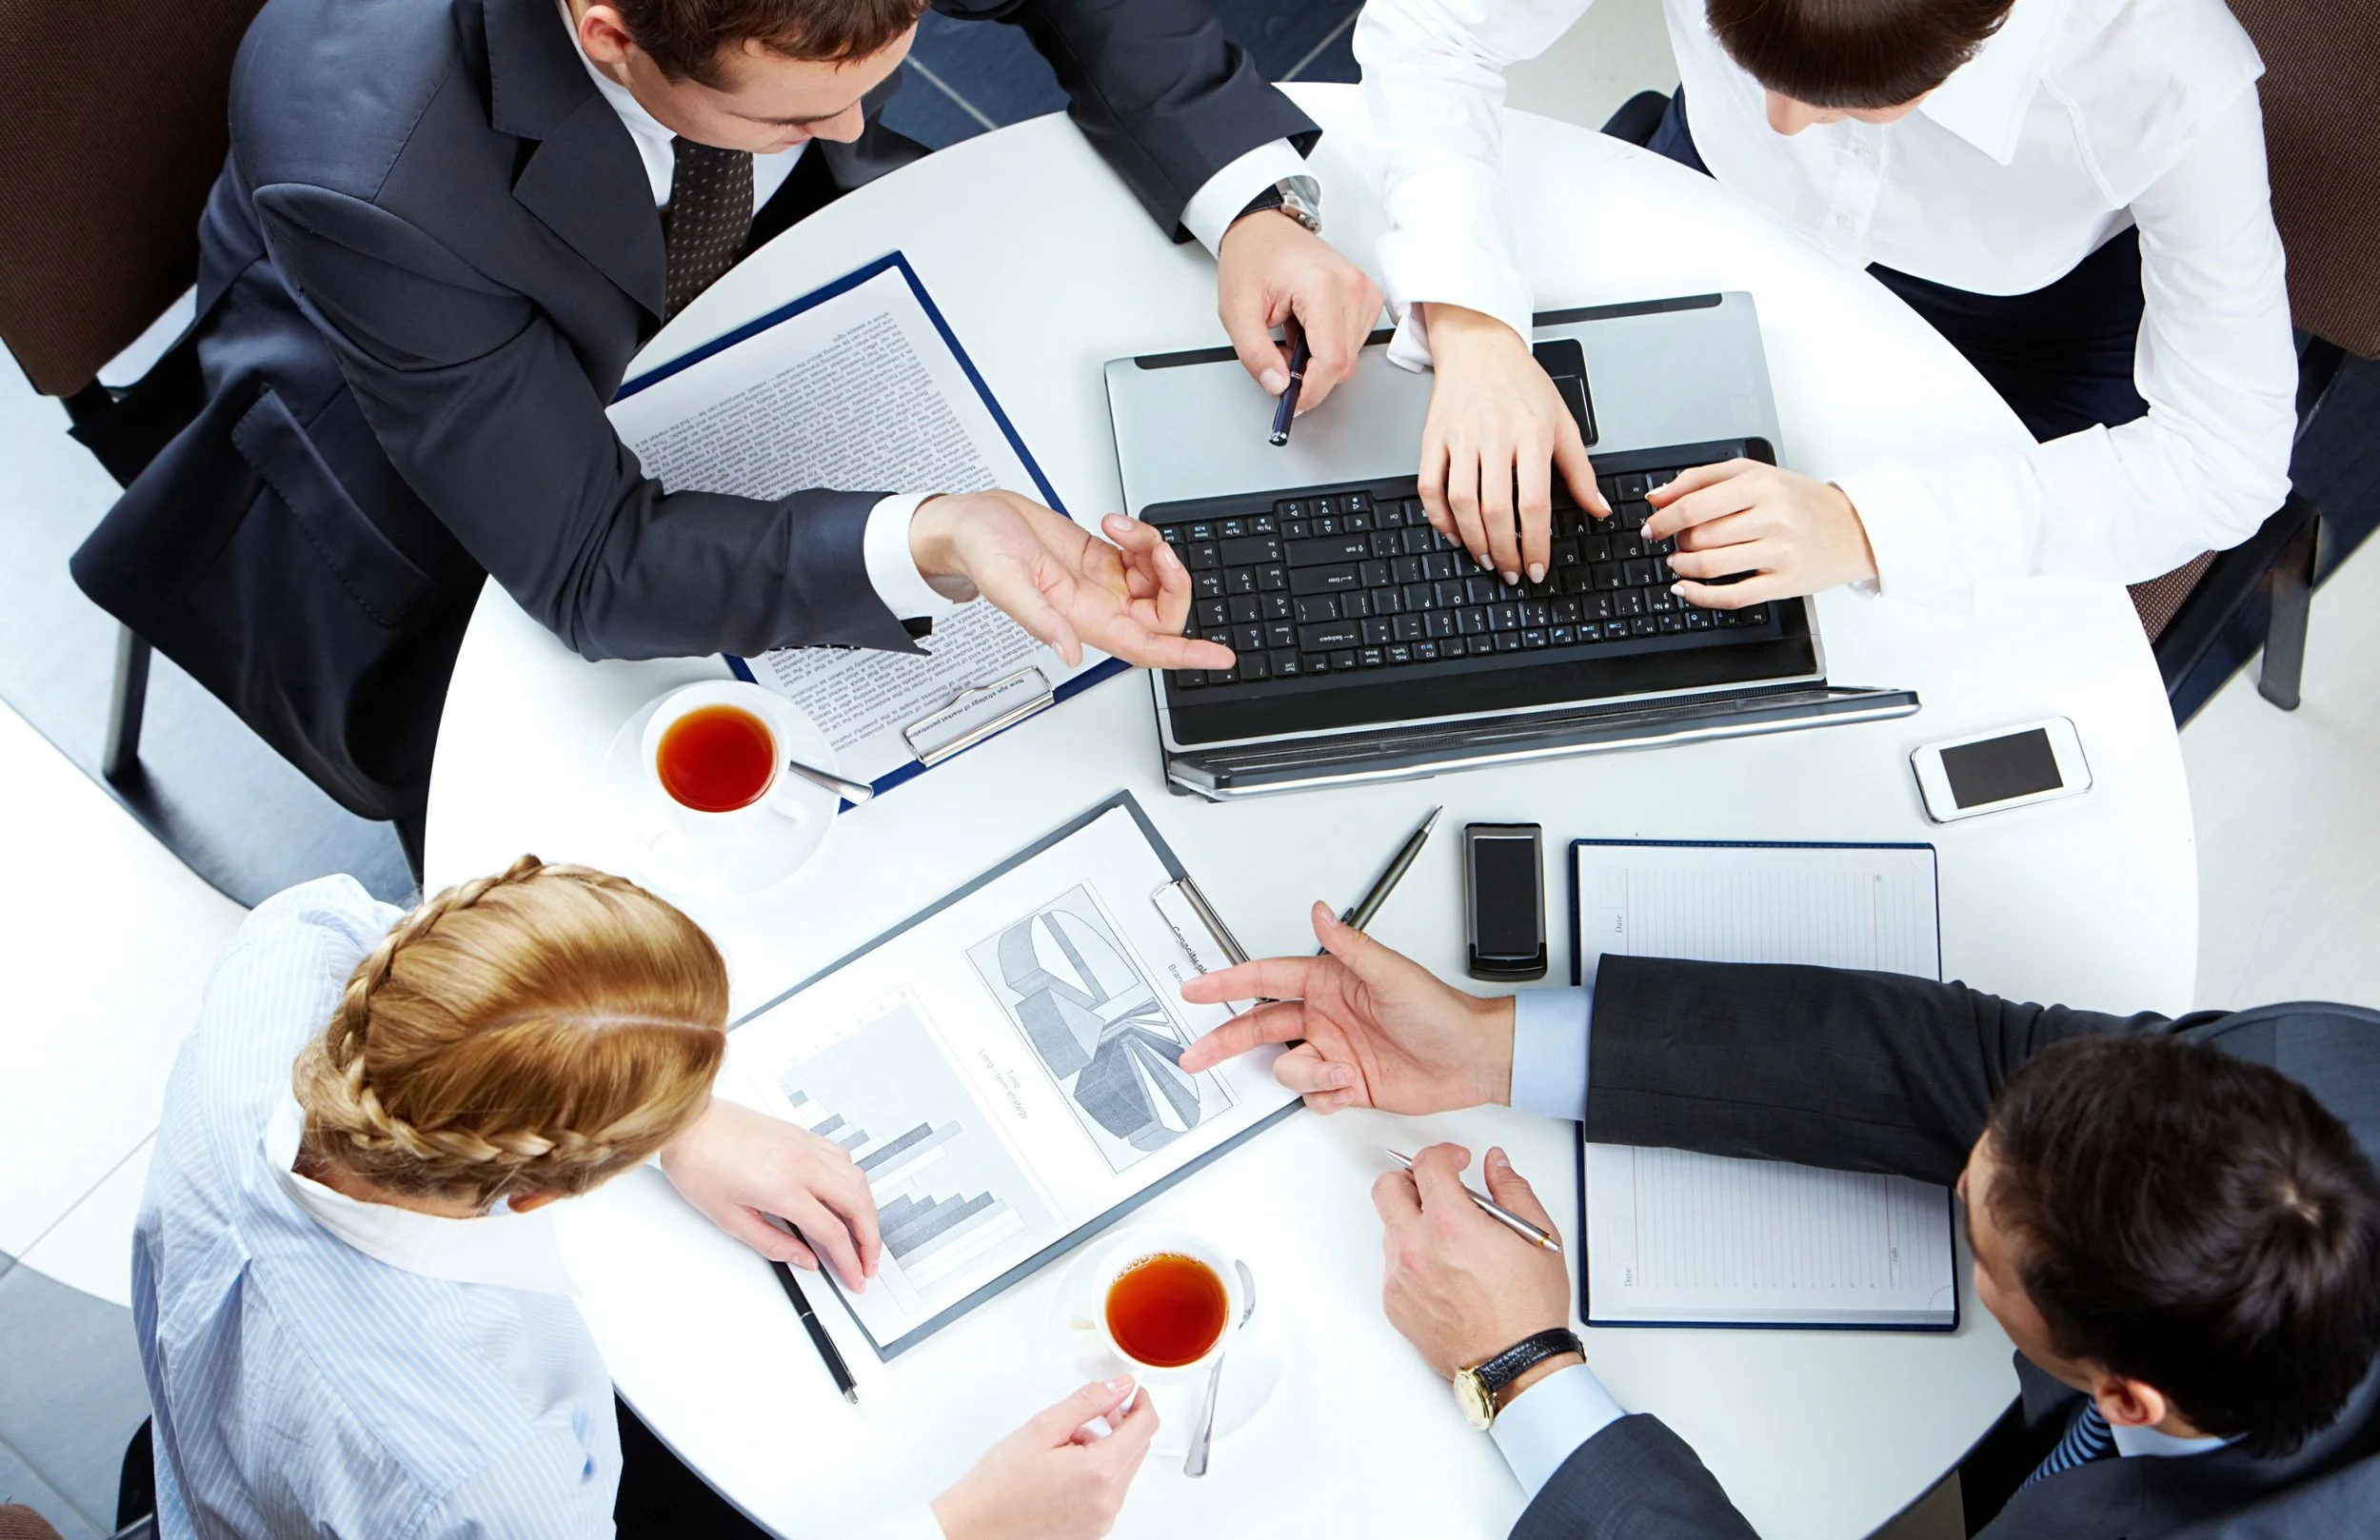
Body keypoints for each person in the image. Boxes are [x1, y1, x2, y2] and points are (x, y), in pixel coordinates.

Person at [72, 0, 1383, 865]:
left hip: (717, 242)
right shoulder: (371, 175)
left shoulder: (783, 85)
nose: (860, 127)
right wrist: (937, 533)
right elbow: (588, 560)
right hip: (412, 409)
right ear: (608, 31)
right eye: (800, 113)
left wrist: (1252, 203)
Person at [1178, 902, 2380, 1537]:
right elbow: (1970, 1060)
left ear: (2122, 1396)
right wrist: (1492, 1046)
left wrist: (1519, 1365)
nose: (1960, 1173)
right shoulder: (2310, 1071)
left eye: (1982, 1246)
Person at [133, 857, 1160, 1538]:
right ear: (542, 1188)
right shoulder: (493, 1475)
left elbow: (410, 967)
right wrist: (970, 1523)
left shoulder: (285, 951)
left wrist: (673, 1116)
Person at [1352, 0, 2296, 616]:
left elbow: (2226, 459)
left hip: (2009, 341)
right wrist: (1470, 320)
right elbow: (1433, 25)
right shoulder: (1768, 124)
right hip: (1715, 204)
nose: (1782, 123)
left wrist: (1864, 526)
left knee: (1875, 651)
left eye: (1855, 104)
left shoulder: (2165, 68)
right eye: (1745, 62)